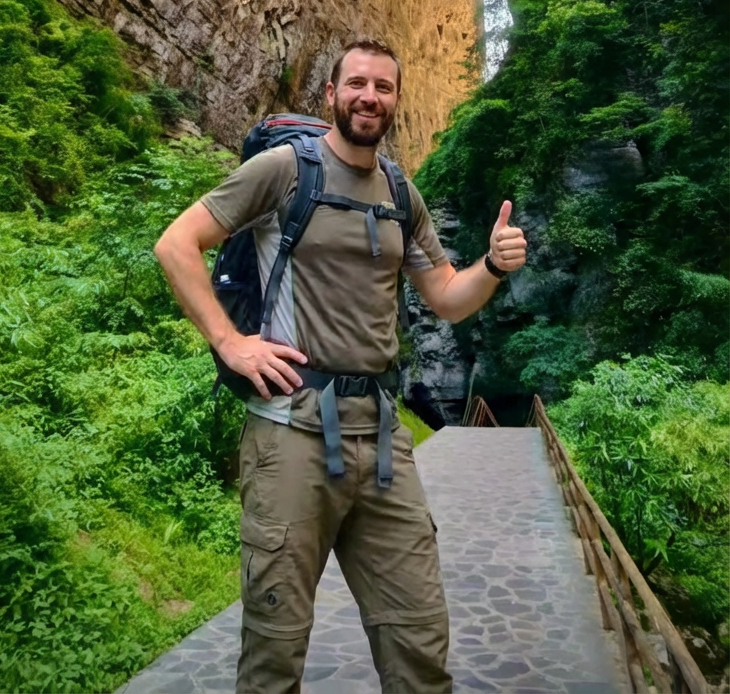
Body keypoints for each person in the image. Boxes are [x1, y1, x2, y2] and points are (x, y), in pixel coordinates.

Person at [154, 39, 527, 694]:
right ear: (330, 95)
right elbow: (177, 243)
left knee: (419, 636)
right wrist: (228, 341)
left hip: (382, 440)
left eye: (383, 87)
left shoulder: (401, 194)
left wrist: (492, 267)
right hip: (289, 434)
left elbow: (445, 296)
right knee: (275, 647)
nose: (369, 97)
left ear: (396, 101)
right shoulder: (282, 171)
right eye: (356, 84)